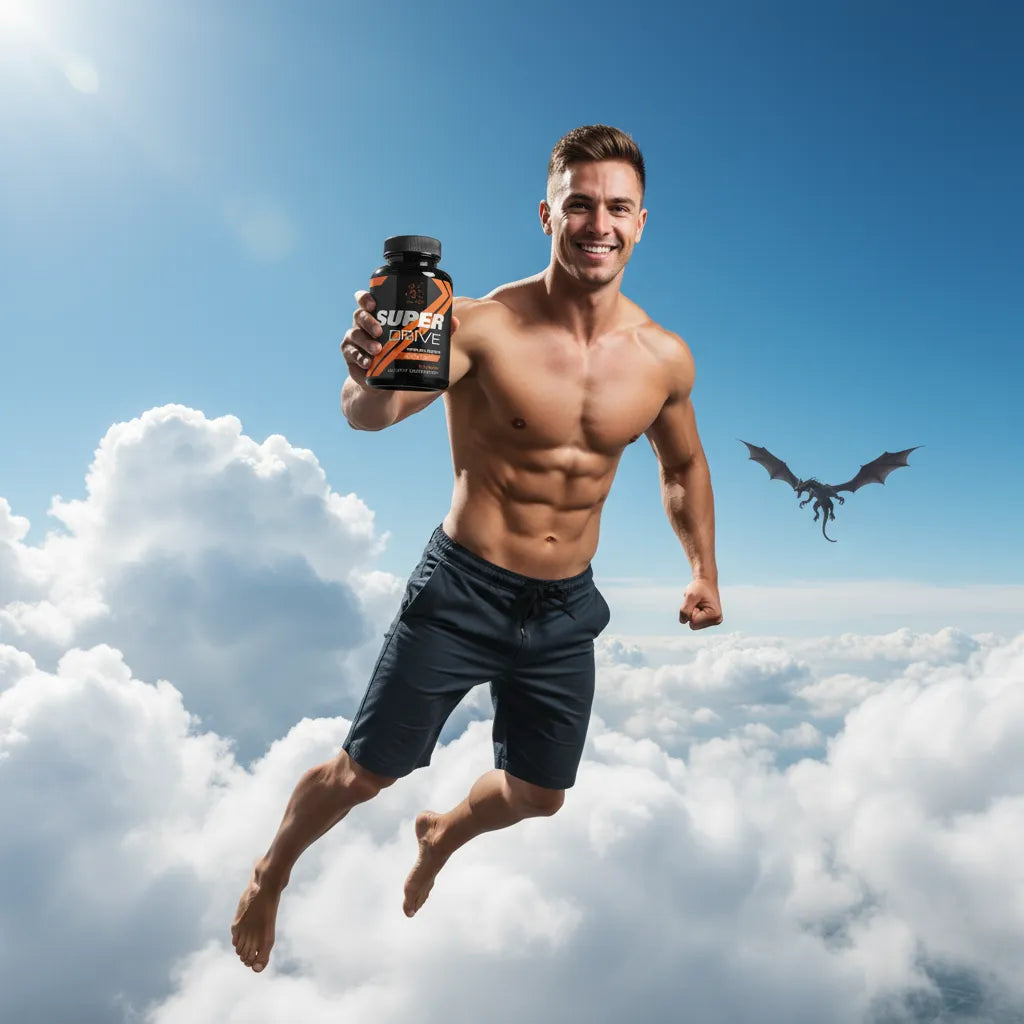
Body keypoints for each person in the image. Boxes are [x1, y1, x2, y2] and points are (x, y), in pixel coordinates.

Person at [231, 124, 723, 973]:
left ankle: (444, 830)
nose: (597, 223)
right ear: (547, 214)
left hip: (566, 605)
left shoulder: (663, 357)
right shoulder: (482, 324)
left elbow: (682, 463)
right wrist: (370, 372)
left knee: (540, 796)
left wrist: (704, 571)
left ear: (643, 221)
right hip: (461, 591)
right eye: (579, 205)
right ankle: (269, 871)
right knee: (360, 776)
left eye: (616, 208)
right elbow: (374, 412)